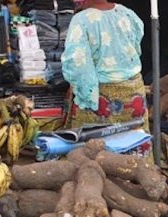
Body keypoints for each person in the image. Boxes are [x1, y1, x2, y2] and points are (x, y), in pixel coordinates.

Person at [62, 0, 147, 129]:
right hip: (134, 93)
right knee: (133, 140)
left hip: (100, 97)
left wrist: (87, 96)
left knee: (94, 145)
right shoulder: (127, 14)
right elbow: (136, 47)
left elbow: (77, 63)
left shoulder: (81, 20)